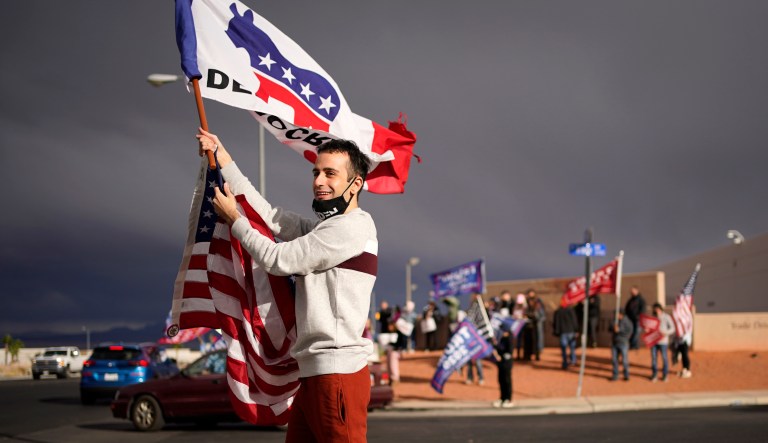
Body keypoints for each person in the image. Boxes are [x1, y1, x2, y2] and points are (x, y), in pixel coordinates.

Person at [198, 129, 375, 443]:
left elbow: (277, 259)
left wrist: (234, 220)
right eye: (316, 172)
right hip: (314, 374)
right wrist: (223, 157)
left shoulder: (352, 228)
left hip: (337, 372)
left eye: (330, 173)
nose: (319, 181)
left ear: (355, 183)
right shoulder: (327, 227)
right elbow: (270, 217)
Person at [649, 303, 675, 382]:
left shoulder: (666, 317)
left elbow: (672, 328)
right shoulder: (652, 317)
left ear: (660, 309)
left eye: (658, 309)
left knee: (664, 358)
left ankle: (665, 375)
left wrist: (665, 332)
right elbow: (649, 328)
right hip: (654, 341)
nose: (656, 311)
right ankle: (654, 374)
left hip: (663, 341)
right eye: (655, 309)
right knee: (654, 358)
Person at [492, 325, 515, 408]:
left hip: (506, 363)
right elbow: (498, 349)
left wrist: (501, 356)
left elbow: (509, 352)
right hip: (501, 364)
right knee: (501, 380)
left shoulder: (509, 339)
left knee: (507, 381)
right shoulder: (502, 339)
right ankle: (502, 398)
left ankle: (508, 399)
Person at [552, 304, 579, 369]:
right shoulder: (571, 310)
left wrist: (556, 332)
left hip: (563, 332)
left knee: (564, 349)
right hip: (570, 331)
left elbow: (555, 323)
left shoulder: (558, 311)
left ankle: (565, 363)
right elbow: (574, 321)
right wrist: (576, 330)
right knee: (572, 348)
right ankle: (573, 361)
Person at [610, 309, 633, 381]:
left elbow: (629, 331)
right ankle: (615, 374)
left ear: (621, 314)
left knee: (624, 360)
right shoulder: (614, 321)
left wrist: (619, 330)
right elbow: (609, 328)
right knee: (614, 360)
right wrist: (613, 328)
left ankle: (626, 374)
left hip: (623, 343)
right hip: (615, 343)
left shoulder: (627, 322)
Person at [525, 289, 545, 361]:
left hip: (536, 326)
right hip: (529, 327)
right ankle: (529, 355)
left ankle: (537, 355)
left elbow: (542, 317)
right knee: (529, 342)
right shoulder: (527, 307)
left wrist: (535, 317)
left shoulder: (538, 306)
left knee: (537, 341)